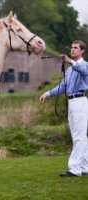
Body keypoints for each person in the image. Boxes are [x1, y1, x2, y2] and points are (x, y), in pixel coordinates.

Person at [39, 40, 88, 177]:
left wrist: (70, 62)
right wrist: (47, 93)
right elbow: (62, 87)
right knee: (78, 136)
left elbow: (83, 70)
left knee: (79, 136)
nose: (72, 50)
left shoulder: (84, 65)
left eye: (76, 48)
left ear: (82, 51)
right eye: (71, 47)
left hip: (80, 101)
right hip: (72, 102)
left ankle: (74, 169)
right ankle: (84, 166)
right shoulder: (70, 69)